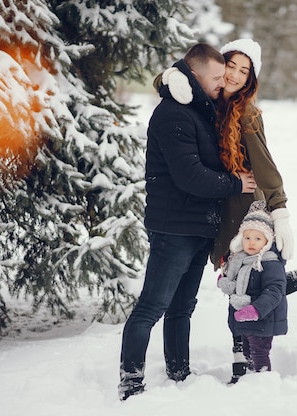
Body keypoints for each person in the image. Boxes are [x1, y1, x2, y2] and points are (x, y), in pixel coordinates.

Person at [162, 38, 297, 383]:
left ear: (250, 80)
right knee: (244, 282)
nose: (234, 75)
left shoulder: (246, 114)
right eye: (231, 65)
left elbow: (265, 166)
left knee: (249, 283)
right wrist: (167, 80)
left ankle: (243, 367)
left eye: (244, 72)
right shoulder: (209, 100)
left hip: (247, 208)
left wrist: (280, 214)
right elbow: (179, 78)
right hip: (222, 205)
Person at [118, 43, 258, 401]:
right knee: (152, 305)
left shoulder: (201, 110)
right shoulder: (173, 114)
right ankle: (130, 381)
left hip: (198, 227)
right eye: (215, 76)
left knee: (182, 308)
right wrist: (235, 183)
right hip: (173, 228)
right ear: (194, 76)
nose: (221, 81)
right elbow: (190, 176)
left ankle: (178, 373)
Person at [217, 200, 288, 381]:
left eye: (257, 238)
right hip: (246, 321)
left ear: (267, 240)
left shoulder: (270, 263)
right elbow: (240, 285)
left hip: (263, 319)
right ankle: (250, 383)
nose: (251, 243)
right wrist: (226, 282)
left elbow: (274, 291)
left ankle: (264, 383)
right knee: (248, 352)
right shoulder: (242, 260)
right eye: (247, 237)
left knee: (259, 355)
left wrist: (255, 310)